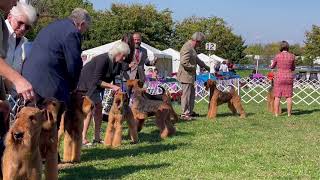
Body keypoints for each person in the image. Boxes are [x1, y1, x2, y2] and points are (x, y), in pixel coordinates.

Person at [22, 8, 91, 105]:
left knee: (28, 116)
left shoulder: (52, 26)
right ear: (82, 24)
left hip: (28, 77)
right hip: (49, 84)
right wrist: (73, 87)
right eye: (86, 28)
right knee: (56, 116)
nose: (84, 31)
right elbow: (74, 65)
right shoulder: (73, 32)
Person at [79, 42, 130, 146]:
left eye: (126, 56)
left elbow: (115, 79)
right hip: (86, 84)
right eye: (123, 55)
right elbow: (96, 80)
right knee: (89, 110)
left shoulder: (117, 63)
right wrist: (112, 87)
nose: (124, 58)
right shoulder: (103, 59)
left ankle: (97, 138)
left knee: (98, 109)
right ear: (117, 53)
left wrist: (118, 90)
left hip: (97, 86)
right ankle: (82, 138)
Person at [0, 0, 34, 101]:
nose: (23, 28)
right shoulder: (2, 30)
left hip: (12, 97)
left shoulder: (26, 43)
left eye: (27, 27)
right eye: (20, 23)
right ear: (10, 17)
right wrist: (18, 80)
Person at [177, 32, 210, 120]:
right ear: (196, 41)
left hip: (190, 76)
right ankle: (184, 114)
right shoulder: (187, 47)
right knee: (186, 95)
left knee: (191, 95)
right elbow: (184, 62)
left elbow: (196, 59)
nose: (200, 44)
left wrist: (205, 66)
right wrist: (194, 68)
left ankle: (190, 112)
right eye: (200, 42)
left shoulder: (192, 48)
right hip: (185, 75)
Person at [270, 41, 295, 117]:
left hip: (279, 77)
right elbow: (293, 68)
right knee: (289, 96)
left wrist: (271, 65)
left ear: (280, 47)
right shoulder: (292, 56)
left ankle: (276, 114)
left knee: (277, 96)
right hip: (289, 77)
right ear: (287, 47)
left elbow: (272, 66)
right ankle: (289, 114)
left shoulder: (277, 56)